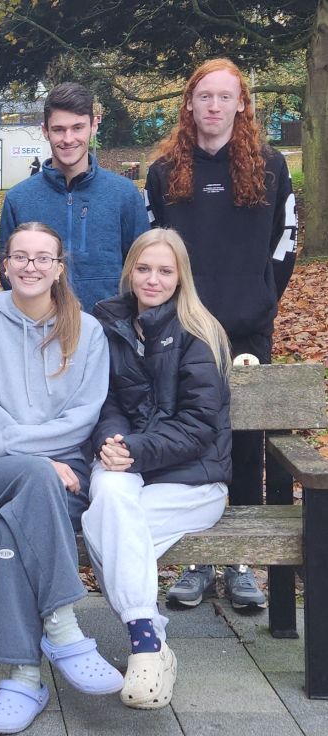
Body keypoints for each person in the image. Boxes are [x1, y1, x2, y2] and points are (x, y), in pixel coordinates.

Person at [0, 222, 121, 734]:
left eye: (42, 258)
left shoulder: (87, 331)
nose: (31, 266)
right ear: (4, 265)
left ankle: (25, 675)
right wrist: (32, 457)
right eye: (20, 257)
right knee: (34, 481)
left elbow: (84, 415)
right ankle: (63, 625)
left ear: (58, 268)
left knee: (14, 530)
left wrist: (25, 452)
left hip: (64, 477)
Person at [146, 58, 298, 610]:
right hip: (184, 328)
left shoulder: (270, 165)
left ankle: (239, 563)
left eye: (224, 97)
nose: (212, 106)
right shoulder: (166, 171)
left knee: (244, 438)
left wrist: (260, 300)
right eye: (203, 96)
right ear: (188, 104)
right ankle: (197, 558)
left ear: (241, 104)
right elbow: (155, 250)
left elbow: (285, 243)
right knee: (188, 434)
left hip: (247, 331)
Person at [81, 228, 232, 709]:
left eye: (165, 270)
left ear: (180, 276)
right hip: (131, 465)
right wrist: (112, 442)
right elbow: (101, 400)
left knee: (105, 526)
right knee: (109, 499)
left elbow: (200, 427)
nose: (153, 279)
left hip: (195, 480)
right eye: (144, 268)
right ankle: (150, 643)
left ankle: (145, 643)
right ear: (130, 272)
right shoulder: (108, 324)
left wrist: (136, 451)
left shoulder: (199, 334)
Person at [0, 83, 149, 312]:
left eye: (77, 127)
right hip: (40, 331)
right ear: (45, 131)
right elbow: (8, 271)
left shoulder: (125, 195)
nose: (68, 139)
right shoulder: (19, 199)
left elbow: (142, 267)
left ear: (94, 125)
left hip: (110, 334)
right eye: (58, 129)